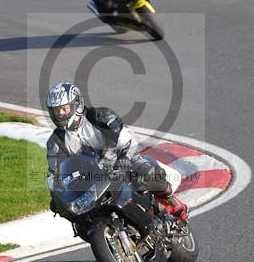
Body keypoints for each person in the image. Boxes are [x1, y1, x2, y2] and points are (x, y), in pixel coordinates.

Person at [45, 82, 188, 221]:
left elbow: (126, 136)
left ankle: (170, 200)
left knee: (148, 173)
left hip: (121, 159)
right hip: (92, 176)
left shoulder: (100, 116)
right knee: (77, 215)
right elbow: (54, 172)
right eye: (56, 111)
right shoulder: (55, 141)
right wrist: (57, 196)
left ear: (77, 104)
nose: (60, 114)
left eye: (64, 109)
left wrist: (123, 157)